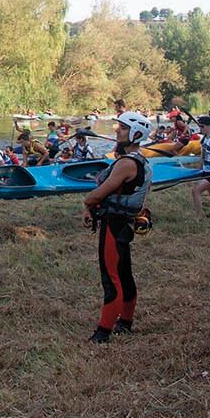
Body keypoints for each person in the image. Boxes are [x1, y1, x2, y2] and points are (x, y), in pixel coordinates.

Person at [81, 111, 153, 343]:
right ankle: (125, 322)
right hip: (124, 225)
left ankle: (103, 332)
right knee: (124, 273)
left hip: (114, 225)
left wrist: (87, 203)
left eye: (122, 128)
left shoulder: (125, 164)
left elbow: (99, 193)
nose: (117, 131)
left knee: (111, 276)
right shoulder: (142, 161)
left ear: (135, 133)